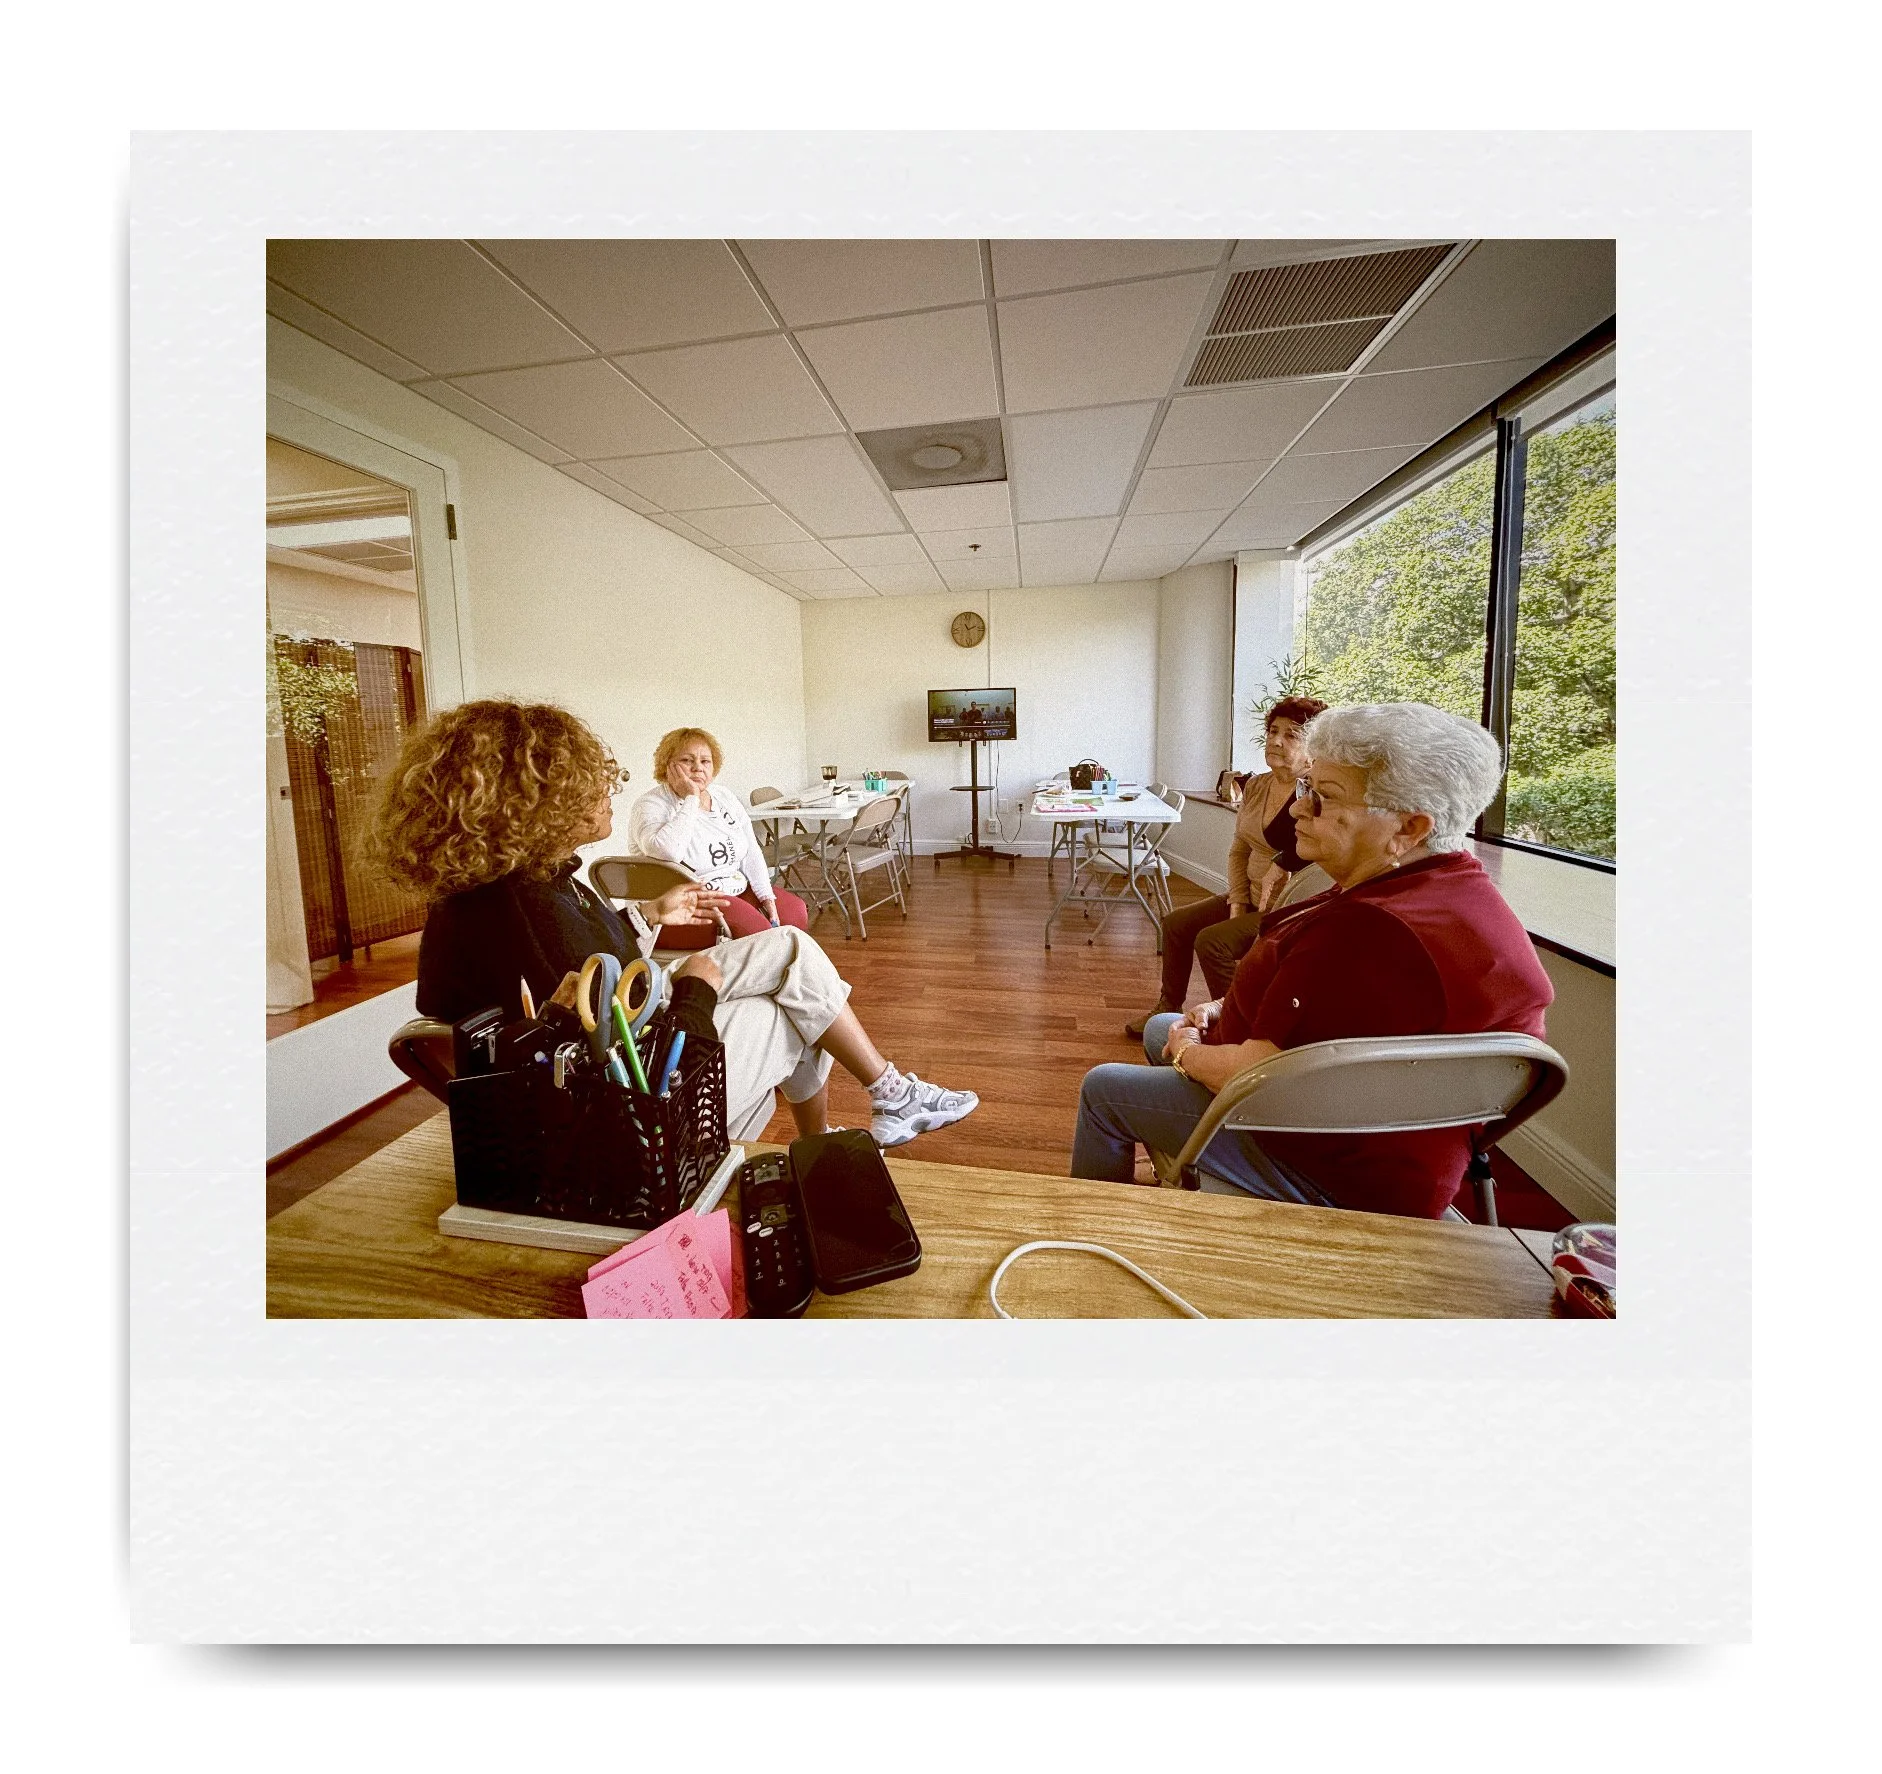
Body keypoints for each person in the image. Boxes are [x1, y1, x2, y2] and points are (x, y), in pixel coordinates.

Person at [375, 700, 976, 1149]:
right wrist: (693, 987)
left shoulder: (512, 888)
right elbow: (609, 1044)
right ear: (533, 802)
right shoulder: (519, 912)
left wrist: (650, 918)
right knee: (792, 1008)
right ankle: (863, 1113)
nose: (610, 790)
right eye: (590, 783)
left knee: (790, 947)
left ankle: (880, 1101)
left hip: (635, 1037)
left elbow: (600, 976)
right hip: (641, 1109)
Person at [1072, 702, 1554, 1220]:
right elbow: (1341, 1017)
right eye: (1306, 788)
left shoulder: (1362, 932)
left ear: (1409, 828)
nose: (1299, 810)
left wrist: (1188, 1053)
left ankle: (1099, 1222)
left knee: (1105, 1087)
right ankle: (1187, 1166)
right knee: (1161, 1029)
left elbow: (1256, 1073)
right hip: (1402, 1144)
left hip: (1325, 1158)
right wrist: (1222, 1009)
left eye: (1323, 797)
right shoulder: (1460, 891)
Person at [1125, 696, 1331, 1037]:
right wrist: (1236, 902)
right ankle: (1167, 1005)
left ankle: (1240, 1023)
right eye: (1273, 731)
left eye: (1292, 735)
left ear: (1314, 747)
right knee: (1176, 923)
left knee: (1213, 942)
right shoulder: (1257, 785)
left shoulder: (1318, 793)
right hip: (1249, 894)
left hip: (1287, 908)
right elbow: (1239, 850)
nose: (1276, 740)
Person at [625, 727, 810, 940]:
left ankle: (781, 971)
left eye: (705, 761)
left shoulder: (724, 796)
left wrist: (766, 896)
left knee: (793, 912)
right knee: (758, 931)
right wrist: (691, 799)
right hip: (683, 907)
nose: (697, 768)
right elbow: (668, 851)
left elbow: (750, 851)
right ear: (667, 766)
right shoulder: (650, 804)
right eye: (687, 761)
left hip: (733, 889)